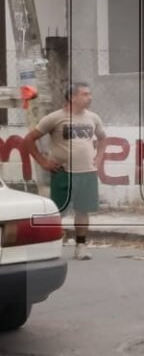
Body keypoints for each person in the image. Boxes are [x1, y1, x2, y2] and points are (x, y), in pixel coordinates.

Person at [25, 83, 105, 259]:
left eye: (90, 94)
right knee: (57, 211)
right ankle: (47, 246)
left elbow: (103, 139)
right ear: (72, 97)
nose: (89, 97)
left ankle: (81, 247)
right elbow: (29, 140)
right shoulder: (54, 118)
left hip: (86, 173)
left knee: (83, 210)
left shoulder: (93, 118)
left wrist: (98, 159)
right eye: (84, 94)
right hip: (63, 172)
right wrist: (43, 162)